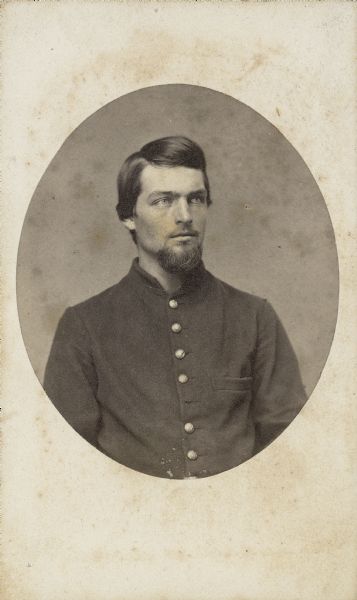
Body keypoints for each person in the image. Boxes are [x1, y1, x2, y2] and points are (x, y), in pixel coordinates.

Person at [44, 136, 307, 479]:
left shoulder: (255, 317)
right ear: (128, 217)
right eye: (163, 200)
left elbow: (290, 450)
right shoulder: (83, 326)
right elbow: (63, 461)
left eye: (196, 199)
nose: (185, 216)